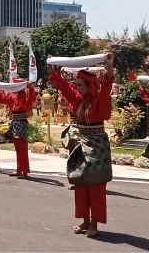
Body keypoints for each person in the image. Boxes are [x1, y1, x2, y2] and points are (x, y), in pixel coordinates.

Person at [48, 54, 115, 238]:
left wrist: (109, 66)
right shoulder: (77, 100)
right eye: (76, 84)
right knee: (80, 182)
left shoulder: (99, 99)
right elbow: (62, 86)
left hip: (98, 145)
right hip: (82, 143)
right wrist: (53, 68)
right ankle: (85, 220)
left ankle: (94, 223)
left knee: (95, 185)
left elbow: (108, 83)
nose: (75, 87)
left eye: (79, 85)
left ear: (89, 86)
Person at [0, 79, 35, 179]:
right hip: (14, 122)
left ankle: (25, 171)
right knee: (17, 146)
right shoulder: (12, 95)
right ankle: (19, 169)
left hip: (22, 122)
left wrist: (31, 88)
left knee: (22, 146)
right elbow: (1, 98)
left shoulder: (26, 95)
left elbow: (32, 101)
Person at [61, 80, 80, 190]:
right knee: (72, 155)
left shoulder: (83, 98)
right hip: (73, 128)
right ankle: (73, 179)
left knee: (81, 155)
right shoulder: (71, 99)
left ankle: (80, 179)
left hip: (81, 129)